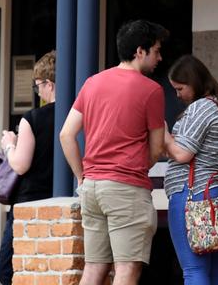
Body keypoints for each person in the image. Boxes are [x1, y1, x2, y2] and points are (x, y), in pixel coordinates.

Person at [60, 20, 167, 285]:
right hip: (126, 189)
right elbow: (156, 149)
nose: (159, 57)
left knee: (93, 269)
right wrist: (142, 164)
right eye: (156, 50)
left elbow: (66, 134)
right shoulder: (151, 90)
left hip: (92, 188)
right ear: (140, 51)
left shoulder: (93, 83)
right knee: (127, 270)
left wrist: (81, 177)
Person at [163, 55, 218, 285]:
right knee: (216, 271)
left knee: (194, 269)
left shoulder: (200, 108)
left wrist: (164, 134)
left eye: (180, 88)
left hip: (193, 193)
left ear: (194, 82)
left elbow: (182, 153)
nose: (177, 95)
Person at [0, 50, 58, 285]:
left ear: (49, 85)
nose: (38, 92)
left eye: (38, 86)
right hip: (60, 200)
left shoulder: (32, 118)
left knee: (7, 270)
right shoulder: (79, 115)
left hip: (29, 205)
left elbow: (21, 165)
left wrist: (9, 145)